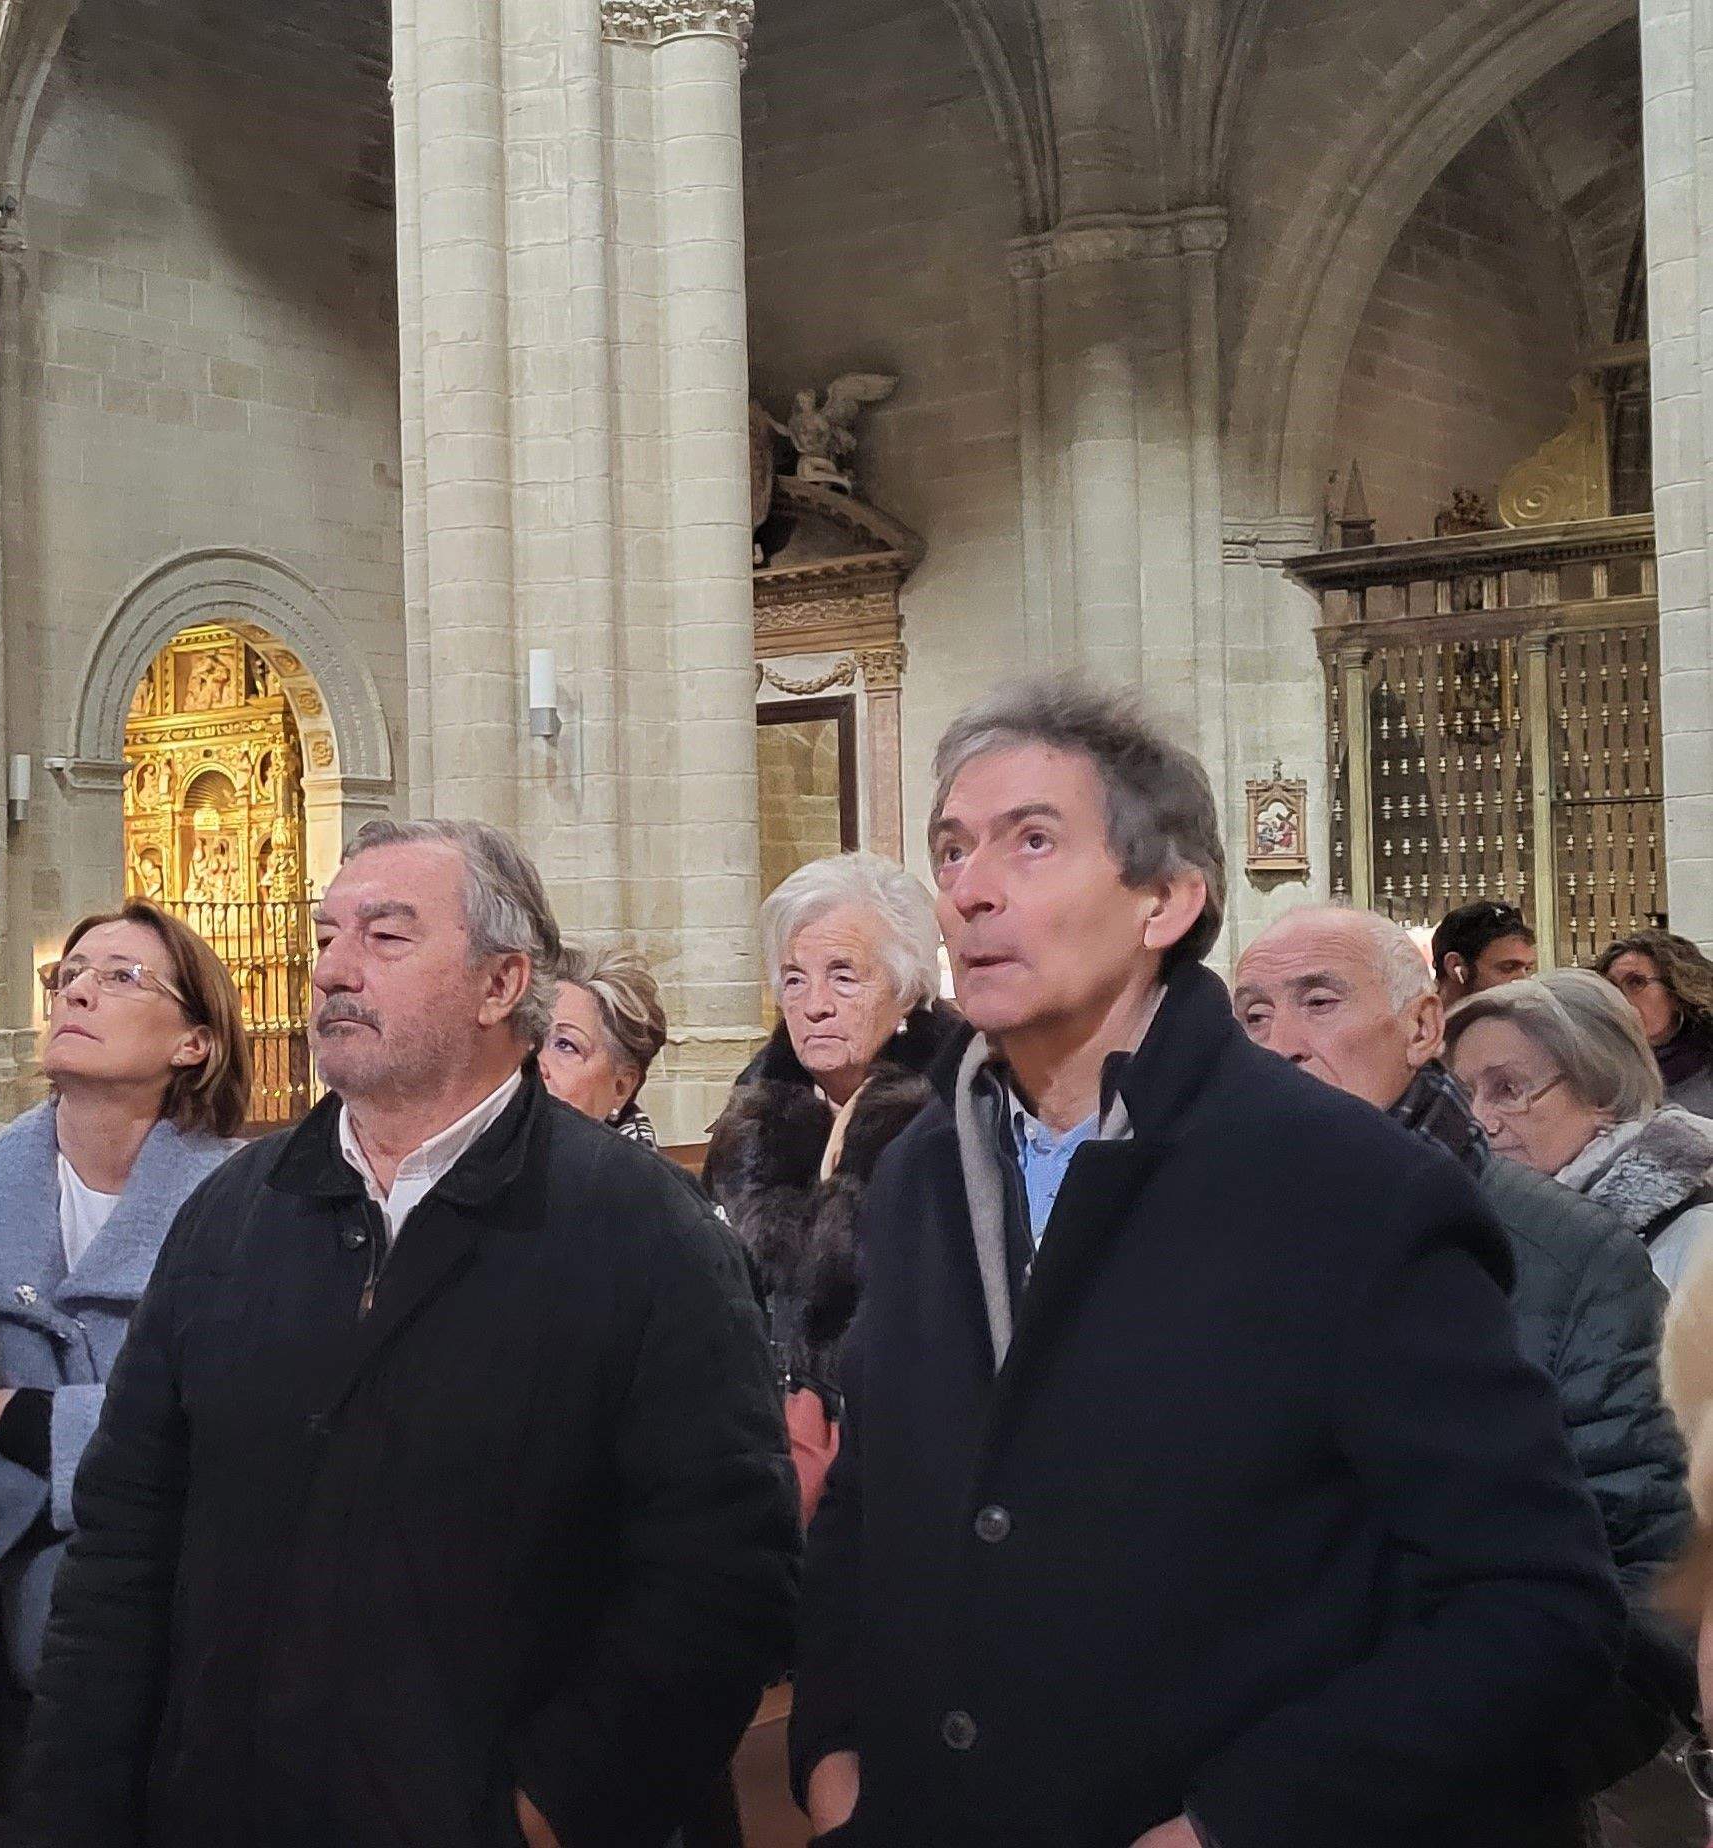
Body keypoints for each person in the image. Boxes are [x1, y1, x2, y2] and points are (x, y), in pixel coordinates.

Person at [793, 679, 1621, 1845]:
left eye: (1031, 842)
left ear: (1166, 901)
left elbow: (1533, 1604)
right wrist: (832, 1751)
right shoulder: (924, 1170)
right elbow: (880, 1502)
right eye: (951, 847)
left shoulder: (1343, 1188)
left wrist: (1241, 1822)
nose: (969, 888)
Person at [27, 820, 798, 1848]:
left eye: (385, 939)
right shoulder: (231, 1216)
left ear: (499, 984)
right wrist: (72, 1813)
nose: (335, 970)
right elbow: (124, 1540)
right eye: (325, 937)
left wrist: (539, 1812)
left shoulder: (642, 1231)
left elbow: (718, 1576)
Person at [1235, 907, 1697, 1832]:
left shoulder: (1568, 1258)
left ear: (1420, 1027)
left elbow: (1652, 1569)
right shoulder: (1186, 1238)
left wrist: (1503, 1774)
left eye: (1318, 1001)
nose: (1279, 1045)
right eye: (1249, 1017)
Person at [0, 900, 248, 1697]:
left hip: (187, 1654)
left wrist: (14, 1419)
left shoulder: (253, 1212)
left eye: (120, 977)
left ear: (194, 1041)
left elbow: (240, 1437)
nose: (76, 992)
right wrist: (69, 1511)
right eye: (66, 976)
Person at [703, 851, 961, 1520]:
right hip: (753, 1446)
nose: (813, 1006)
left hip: (905, 1455)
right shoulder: (753, 1112)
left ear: (907, 990)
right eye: (794, 979)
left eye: (844, 977)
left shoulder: (958, 1109)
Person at [1447, 969, 1713, 1290]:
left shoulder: (1697, 1242)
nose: (1477, 1120)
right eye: (1465, 1094)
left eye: (1508, 1089)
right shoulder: (1475, 1233)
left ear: (1603, 1090)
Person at [540, 941, 668, 1143]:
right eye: (528, 1037)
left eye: (565, 1045)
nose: (534, 1063)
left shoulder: (635, 1173)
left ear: (621, 1088)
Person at [1596, 929, 1713, 1117]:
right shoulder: (1603, 1073)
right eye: (1611, 987)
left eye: (1636, 983)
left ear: (1675, 992)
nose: (1620, 998)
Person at [1435, 898, 1542, 1008]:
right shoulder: (1420, 1024)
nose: (1524, 982)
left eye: (1527, 969)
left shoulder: (1525, 1021)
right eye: (1508, 967)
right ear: (1455, 966)